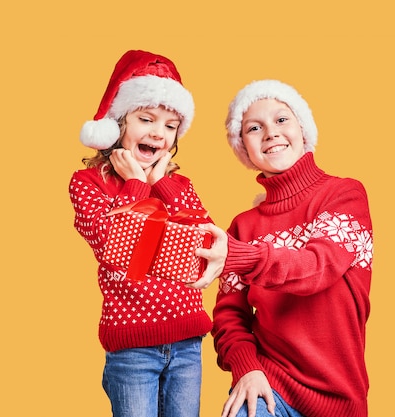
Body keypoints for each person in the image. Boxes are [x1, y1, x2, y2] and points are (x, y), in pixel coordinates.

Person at [191, 80, 374, 417]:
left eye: (281, 120)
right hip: (270, 386)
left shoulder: (344, 195)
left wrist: (238, 255)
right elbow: (229, 317)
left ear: (303, 130)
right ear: (243, 147)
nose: (270, 133)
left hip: (341, 397)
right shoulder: (242, 227)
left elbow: (317, 268)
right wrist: (246, 367)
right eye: (254, 128)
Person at [69, 49, 213, 417]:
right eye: (146, 118)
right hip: (132, 349)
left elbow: (206, 248)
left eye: (169, 126)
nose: (157, 133)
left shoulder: (177, 185)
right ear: (118, 124)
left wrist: (162, 184)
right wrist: (135, 186)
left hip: (187, 343)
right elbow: (112, 249)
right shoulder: (89, 184)